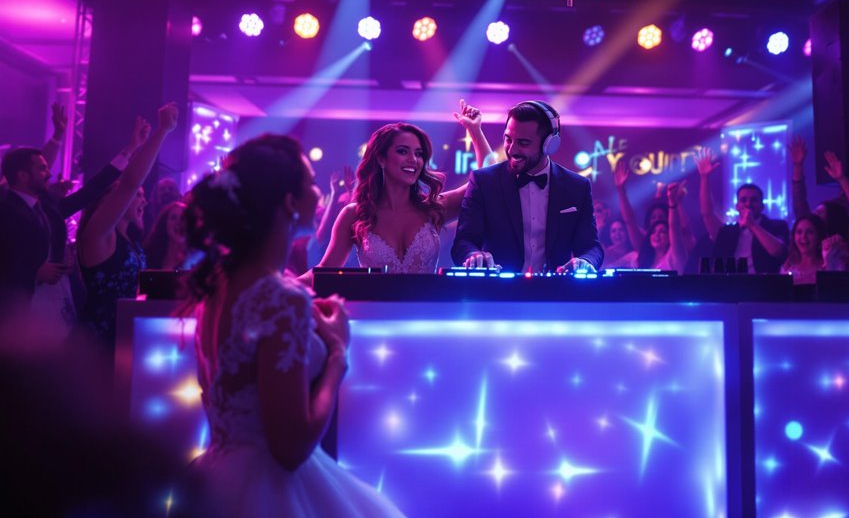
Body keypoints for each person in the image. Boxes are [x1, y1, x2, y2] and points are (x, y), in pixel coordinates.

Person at [182, 134, 404, 518]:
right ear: (289, 202)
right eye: (311, 182)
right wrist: (337, 354)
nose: (319, 193)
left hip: (215, 478)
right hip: (270, 490)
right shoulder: (282, 299)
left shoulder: (217, 286)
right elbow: (290, 448)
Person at [312, 100, 493, 275]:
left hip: (427, 306)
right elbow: (324, 270)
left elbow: (484, 182)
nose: (413, 159)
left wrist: (475, 131)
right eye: (402, 151)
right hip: (372, 306)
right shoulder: (355, 214)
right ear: (381, 159)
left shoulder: (434, 208)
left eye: (419, 153)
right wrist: (285, 285)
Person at [0, 104, 138, 310]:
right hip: (17, 308)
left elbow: (90, 191)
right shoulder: (5, 209)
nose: (49, 173)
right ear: (22, 176)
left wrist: (129, 151)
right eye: (42, 169)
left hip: (57, 299)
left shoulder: (48, 206)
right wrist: (34, 272)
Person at [452, 100, 603, 272]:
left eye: (523, 143)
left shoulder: (577, 187)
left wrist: (585, 261)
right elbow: (463, 242)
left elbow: (591, 247)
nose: (512, 150)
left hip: (554, 294)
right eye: (508, 139)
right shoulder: (483, 181)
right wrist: (473, 255)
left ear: (549, 145)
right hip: (497, 294)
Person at [76, 104, 178, 353]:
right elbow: (130, 183)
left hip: (125, 338)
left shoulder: (128, 240)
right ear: (107, 202)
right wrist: (162, 131)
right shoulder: (100, 235)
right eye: (139, 196)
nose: (144, 200)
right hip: (96, 345)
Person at [696, 147, 788, 274]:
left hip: (764, 288)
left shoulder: (776, 226)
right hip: (730, 288)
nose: (748, 203)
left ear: (762, 206)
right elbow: (707, 213)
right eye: (743, 200)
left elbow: (778, 252)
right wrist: (704, 178)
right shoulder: (727, 232)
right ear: (737, 206)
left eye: (753, 200)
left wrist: (753, 225)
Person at [780, 214, 827, 286]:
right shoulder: (787, 268)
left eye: (810, 232)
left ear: (819, 236)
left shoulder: (827, 267)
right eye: (799, 232)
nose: (803, 237)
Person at [142, 201, 188, 270]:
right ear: (164, 223)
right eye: (173, 218)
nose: (178, 222)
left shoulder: (196, 259)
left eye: (183, 218)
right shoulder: (149, 254)